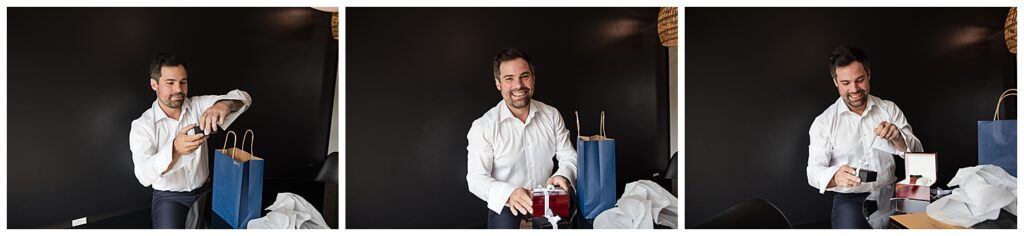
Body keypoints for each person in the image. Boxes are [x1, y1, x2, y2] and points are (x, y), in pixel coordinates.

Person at [129, 53, 252, 229]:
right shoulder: (142, 126)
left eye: (183, 82)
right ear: (154, 84)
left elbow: (244, 98)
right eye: (170, 83)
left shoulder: (199, 105)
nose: (178, 89)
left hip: (206, 191)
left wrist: (224, 105)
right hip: (169, 198)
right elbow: (143, 175)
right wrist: (175, 149)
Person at [806, 46, 923, 229]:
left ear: (868, 74)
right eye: (845, 83)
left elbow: (919, 157)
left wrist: (899, 140)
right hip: (850, 199)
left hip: (893, 192)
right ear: (836, 82)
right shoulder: (824, 122)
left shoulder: (889, 109)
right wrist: (835, 176)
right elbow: (813, 171)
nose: (854, 89)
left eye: (859, 80)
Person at [466, 48, 578, 229]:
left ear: (533, 79)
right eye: (509, 79)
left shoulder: (552, 115)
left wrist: (562, 175)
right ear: (498, 84)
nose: (518, 85)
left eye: (524, 76)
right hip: (507, 204)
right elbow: (476, 178)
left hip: (549, 199)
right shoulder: (483, 126)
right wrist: (509, 194)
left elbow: (569, 156)